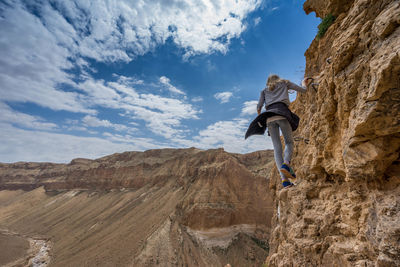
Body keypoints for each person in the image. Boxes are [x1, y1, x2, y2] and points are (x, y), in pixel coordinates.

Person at [256, 74, 309, 188]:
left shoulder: (264, 91)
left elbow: (259, 107)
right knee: (289, 142)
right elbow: (303, 90)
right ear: (278, 79)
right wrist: (304, 83)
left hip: (269, 117)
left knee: (277, 149)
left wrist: (261, 119)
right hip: (282, 113)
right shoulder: (285, 83)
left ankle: (285, 181)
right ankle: (286, 164)